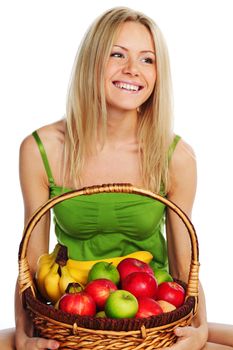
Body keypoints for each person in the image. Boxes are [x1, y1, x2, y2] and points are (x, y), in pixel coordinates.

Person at [0, 6, 233, 350]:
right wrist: (23, 333)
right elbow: (30, 264)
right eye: (117, 54)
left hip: (153, 314)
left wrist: (197, 329)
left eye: (147, 60)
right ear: (92, 61)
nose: (132, 70)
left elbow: (186, 263)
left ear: (158, 75)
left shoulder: (175, 156)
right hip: (73, 315)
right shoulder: (41, 149)